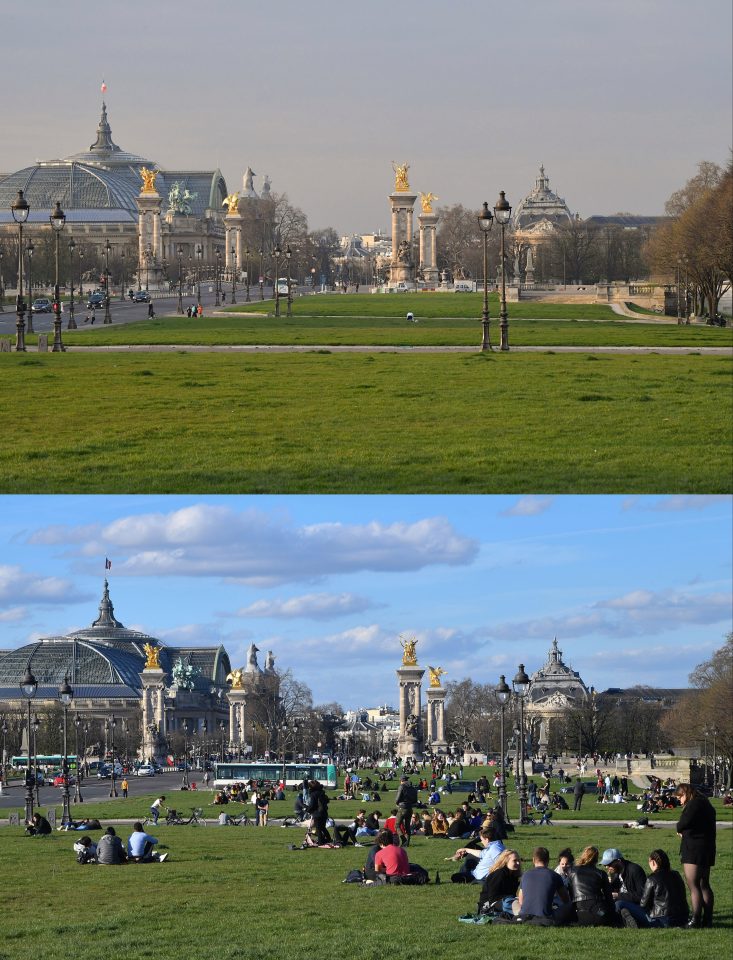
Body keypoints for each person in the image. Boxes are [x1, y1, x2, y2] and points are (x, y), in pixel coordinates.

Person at [675, 782, 717, 927]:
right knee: (704, 884)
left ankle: (695, 919)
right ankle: (708, 919)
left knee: (693, 885)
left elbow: (683, 823)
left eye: (680, 797)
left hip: (694, 849)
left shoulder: (693, 804)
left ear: (686, 793)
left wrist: (680, 830)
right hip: (707, 848)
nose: (679, 800)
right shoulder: (706, 803)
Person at [616, 849, 689, 928]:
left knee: (619, 903)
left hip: (662, 920)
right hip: (683, 918)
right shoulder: (676, 874)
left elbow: (643, 905)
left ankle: (624, 922)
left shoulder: (652, 879)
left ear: (653, 862)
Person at [516, 846, 569, 924]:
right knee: (569, 905)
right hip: (546, 916)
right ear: (548, 860)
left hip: (524, 915)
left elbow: (521, 901)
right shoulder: (555, 876)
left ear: (534, 860)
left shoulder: (525, 875)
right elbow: (566, 899)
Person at [566, 845, 616, 926]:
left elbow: (569, 893)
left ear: (583, 855)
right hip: (600, 913)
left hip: (580, 913)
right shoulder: (601, 874)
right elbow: (609, 898)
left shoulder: (572, 871)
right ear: (596, 859)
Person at [601, 847, 646, 915]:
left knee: (618, 904)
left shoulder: (635, 870)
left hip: (637, 906)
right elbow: (613, 889)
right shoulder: (614, 872)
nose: (606, 867)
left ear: (619, 861)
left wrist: (617, 895)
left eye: (609, 864)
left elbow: (642, 896)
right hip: (620, 903)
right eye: (605, 865)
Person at [477, 849, 522, 916]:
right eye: (515, 861)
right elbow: (493, 897)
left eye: (518, 860)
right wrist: (511, 898)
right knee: (511, 902)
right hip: (489, 905)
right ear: (506, 861)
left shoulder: (513, 875)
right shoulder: (499, 874)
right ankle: (521, 914)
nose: (518, 863)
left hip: (506, 901)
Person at [306, 779, 331, 845]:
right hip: (324, 812)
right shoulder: (322, 792)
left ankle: (320, 842)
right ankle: (328, 839)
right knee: (323, 827)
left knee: (318, 828)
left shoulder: (313, 794)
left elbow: (312, 804)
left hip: (317, 813)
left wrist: (307, 809)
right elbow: (327, 800)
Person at [394, 775, 418, 846]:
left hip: (402, 808)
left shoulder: (401, 786)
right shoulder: (413, 788)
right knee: (407, 826)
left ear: (401, 780)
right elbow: (415, 800)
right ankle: (407, 843)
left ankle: (403, 839)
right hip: (409, 808)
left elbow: (397, 798)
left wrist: (397, 803)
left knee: (397, 825)